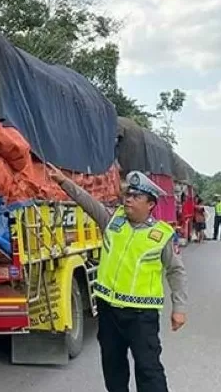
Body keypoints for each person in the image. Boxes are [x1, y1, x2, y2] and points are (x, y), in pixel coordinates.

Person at [48, 165, 187, 392]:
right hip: (109, 310)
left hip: (141, 316)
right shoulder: (114, 221)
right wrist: (63, 181)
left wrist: (179, 307)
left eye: (136, 196)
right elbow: (88, 202)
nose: (129, 200)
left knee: (148, 369)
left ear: (150, 204)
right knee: (113, 367)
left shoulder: (161, 235)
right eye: (128, 195)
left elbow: (176, 271)